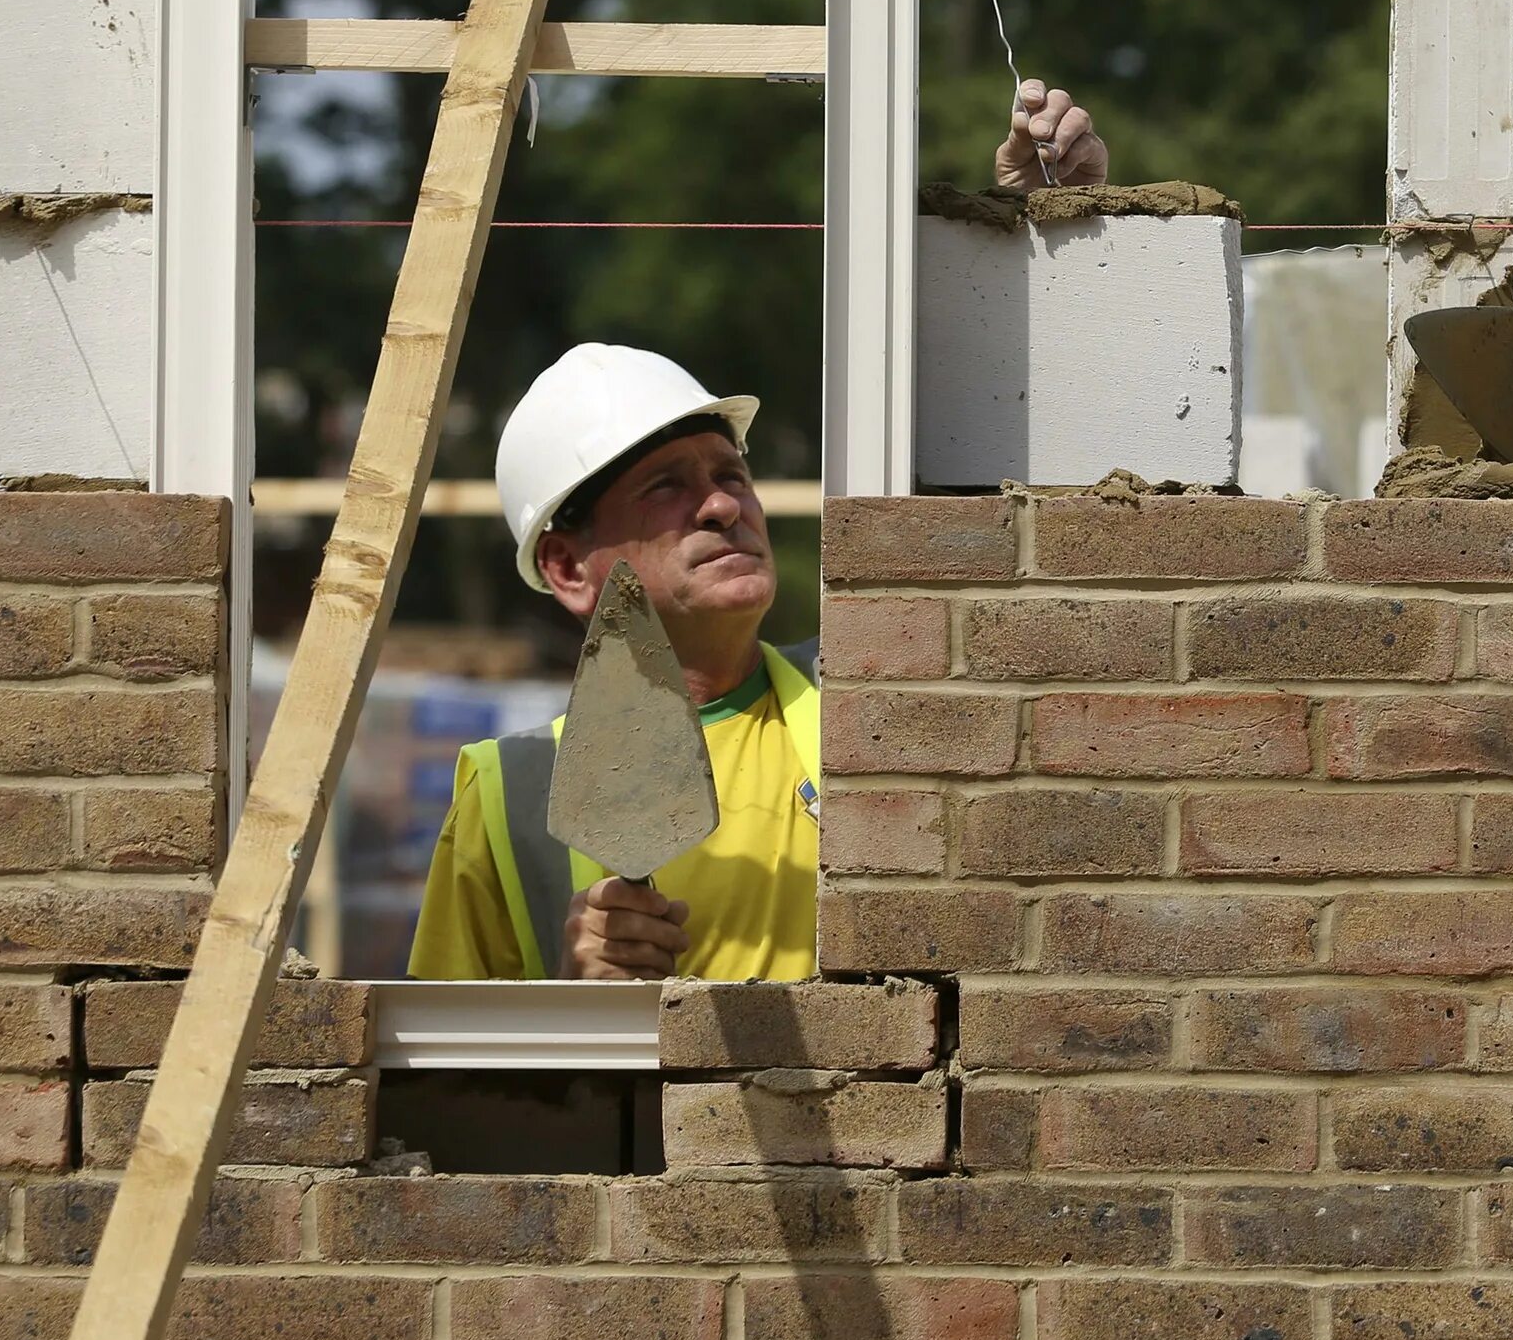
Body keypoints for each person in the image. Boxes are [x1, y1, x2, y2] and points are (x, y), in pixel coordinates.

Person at [407, 83, 1107, 981]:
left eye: (730, 475)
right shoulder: (510, 796)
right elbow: (451, 1093)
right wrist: (574, 1011)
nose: (723, 505)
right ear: (566, 565)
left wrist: (1039, 232)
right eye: (667, 487)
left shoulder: (867, 707)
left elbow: (1004, 549)